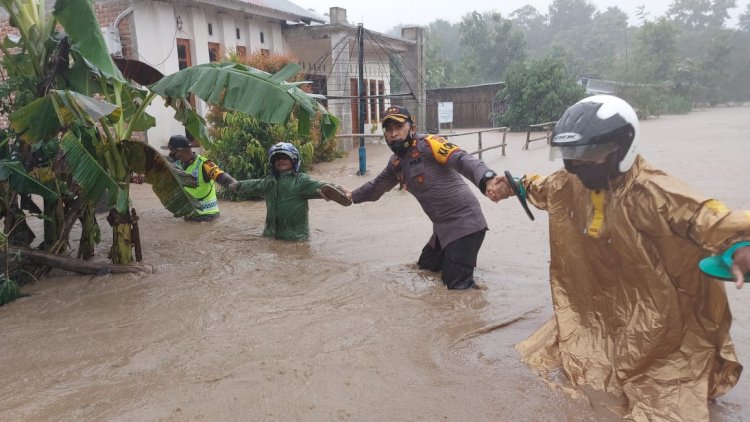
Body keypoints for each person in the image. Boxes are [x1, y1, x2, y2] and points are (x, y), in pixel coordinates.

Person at [490, 95, 750, 420]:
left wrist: (740, 247)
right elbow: (542, 186)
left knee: (666, 387)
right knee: (579, 364)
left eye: (590, 155)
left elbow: (706, 216)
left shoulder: (654, 190)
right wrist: (515, 185)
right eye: (573, 156)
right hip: (601, 301)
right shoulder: (570, 182)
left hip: (659, 310)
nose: (580, 164)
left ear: (621, 147)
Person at [345, 106, 510, 290]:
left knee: (456, 287)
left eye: (399, 127)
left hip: (465, 224)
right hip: (442, 230)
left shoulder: (430, 144)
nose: (394, 134)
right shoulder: (396, 163)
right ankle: (464, 267)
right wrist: (352, 196)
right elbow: (376, 188)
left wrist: (487, 178)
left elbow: (462, 159)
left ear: (412, 128)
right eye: (389, 130)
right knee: (425, 268)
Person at [232, 142, 351, 242]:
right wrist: (237, 185)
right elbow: (253, 185)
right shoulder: (268, 182)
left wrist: (340, 188)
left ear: (294, 160)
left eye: (285, 158)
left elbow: (322, 186)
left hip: (296, 240)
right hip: (270, 236)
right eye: (277, 158)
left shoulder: (301, 181)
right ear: (272, 162)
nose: (281, 161)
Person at [164, 134, 237, 222]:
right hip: (190, 215)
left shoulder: (204, 164)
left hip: (208, 218)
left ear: (180, 151)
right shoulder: (178, 166)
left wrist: (231, 182)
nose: (171, 155)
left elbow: (220, 175)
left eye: (172, 152)